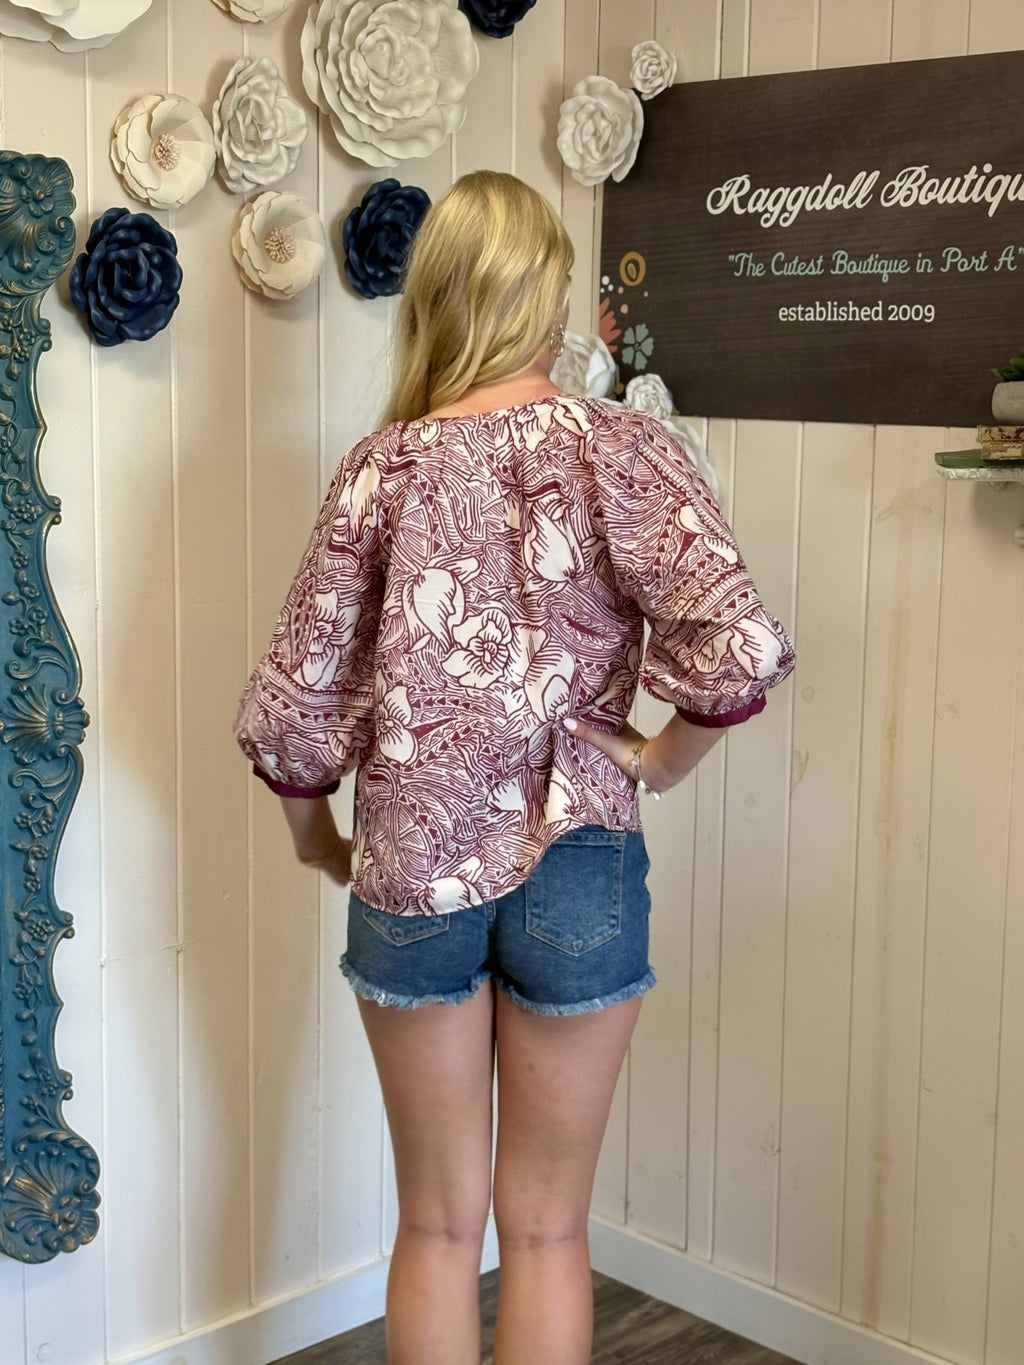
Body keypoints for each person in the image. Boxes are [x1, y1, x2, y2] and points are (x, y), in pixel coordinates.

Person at [235, 170, 794, 1365]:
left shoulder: (380, 469)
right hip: (581, 863)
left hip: (410, 868)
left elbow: (295, 703)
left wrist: (319, 837)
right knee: (545, 1232)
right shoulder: (623, 449)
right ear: (552, 301)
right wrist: (660, 761)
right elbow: (735, 644)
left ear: (436, 299)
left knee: (438, 1227)